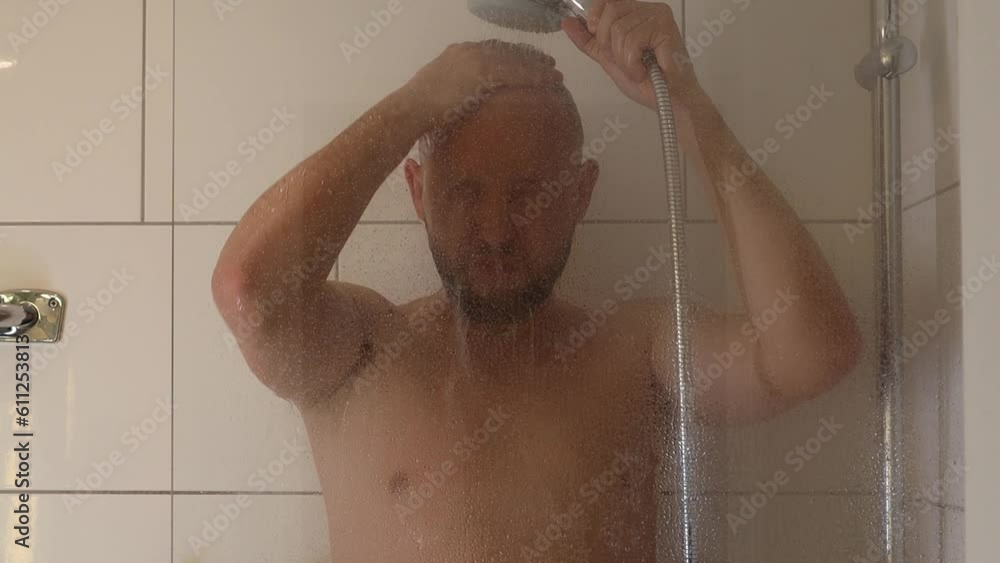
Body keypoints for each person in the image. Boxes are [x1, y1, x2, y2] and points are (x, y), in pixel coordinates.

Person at [211, 1, 862, 560]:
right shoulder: (361, 352)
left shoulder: (633, 354)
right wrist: (414, 104)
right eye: (465, 192)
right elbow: (250, 290)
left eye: (530, 195)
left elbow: (814, 351)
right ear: (417, 191)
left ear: (579, 194)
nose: (496, 231)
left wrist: (686, 106)